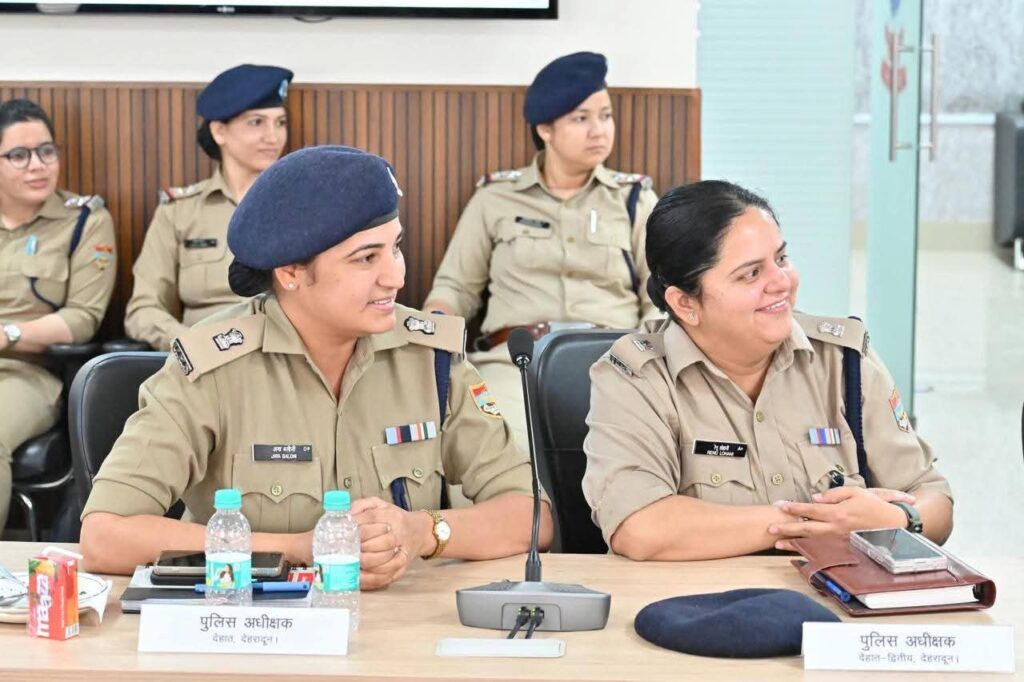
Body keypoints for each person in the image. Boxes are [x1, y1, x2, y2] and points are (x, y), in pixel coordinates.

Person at [80, 146, 553, 587]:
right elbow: (105, 535)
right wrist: (296, 550)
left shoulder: (429, 358)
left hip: (401, 626)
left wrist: (423, 532)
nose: (396, 275)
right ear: (290, 272)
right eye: (366, 258)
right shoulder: (213, 368)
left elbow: (532, 515)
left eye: (395, 247)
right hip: (251, 627)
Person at [582, 180, 953, 561]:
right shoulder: (635, 377)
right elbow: (640, 528)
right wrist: (820, 523)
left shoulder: (844, 359)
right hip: (701, 596)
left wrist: (899, 518)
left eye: (782, 258)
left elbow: (934, 499)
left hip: (835, 594)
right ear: (685, 303)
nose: (781, 282)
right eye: (750, 274)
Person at [423, 51, 659, 449]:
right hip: (515, 363)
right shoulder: (496, 198)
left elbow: (661, 297)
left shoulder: (634, 200)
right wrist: (434, 331)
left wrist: (642, 358)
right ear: (545, 128)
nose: (599, 131)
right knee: (495, 449)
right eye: (581, 119)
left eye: (606, 116)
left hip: (613, 362)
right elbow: (455, 288)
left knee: (626, 454)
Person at [0, 99, 117, 532]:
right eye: (19, 155)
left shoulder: (83, 220)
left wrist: (9, 333)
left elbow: (82, 318)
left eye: (46, 151)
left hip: (27, 374)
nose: (38, 165)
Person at [123, 64, 292, 351]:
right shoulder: (179, 211)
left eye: (280, 123)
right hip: (200, 360)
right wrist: (195, 346)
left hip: (281, 356)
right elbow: (143, 310)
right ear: (219, 132)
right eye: (256, 122)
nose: (273, 137)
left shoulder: (303, 208)